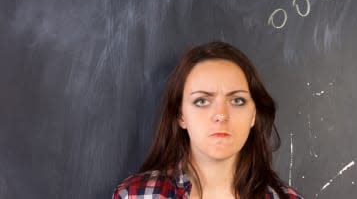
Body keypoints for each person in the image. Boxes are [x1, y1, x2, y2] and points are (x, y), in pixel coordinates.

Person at [113, 41, 304, 199]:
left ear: (254, 114)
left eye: (237, 100)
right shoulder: (136, 195)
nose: (221, 115)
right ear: (181, 116)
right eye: (202, 101)